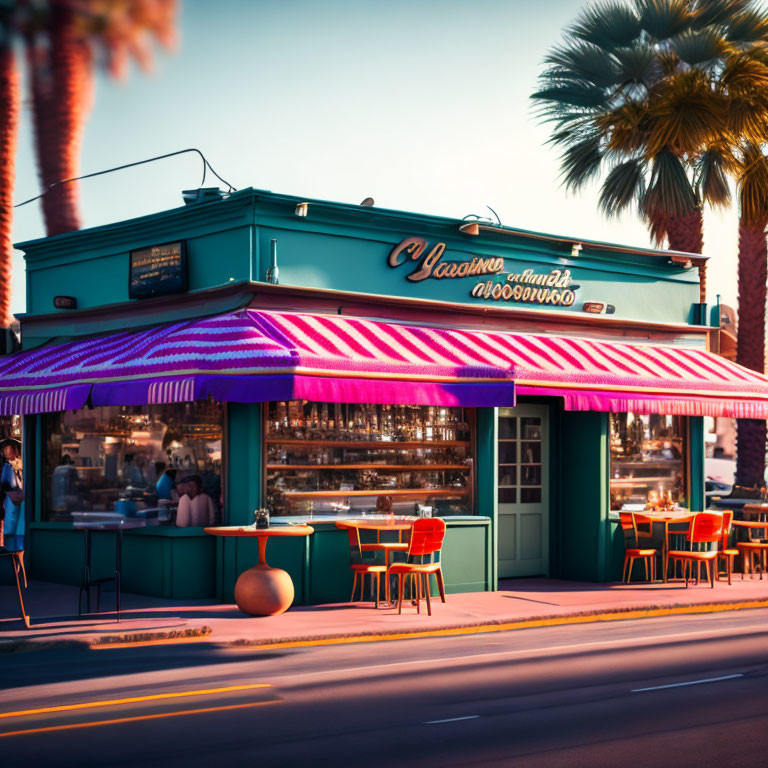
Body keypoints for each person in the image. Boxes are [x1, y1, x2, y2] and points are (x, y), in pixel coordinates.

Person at [1, 438, 24, 552]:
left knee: (13, 534)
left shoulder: (11, 466)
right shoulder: (9, 466)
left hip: (14, 502)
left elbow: (6, 482)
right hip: (14, 502)